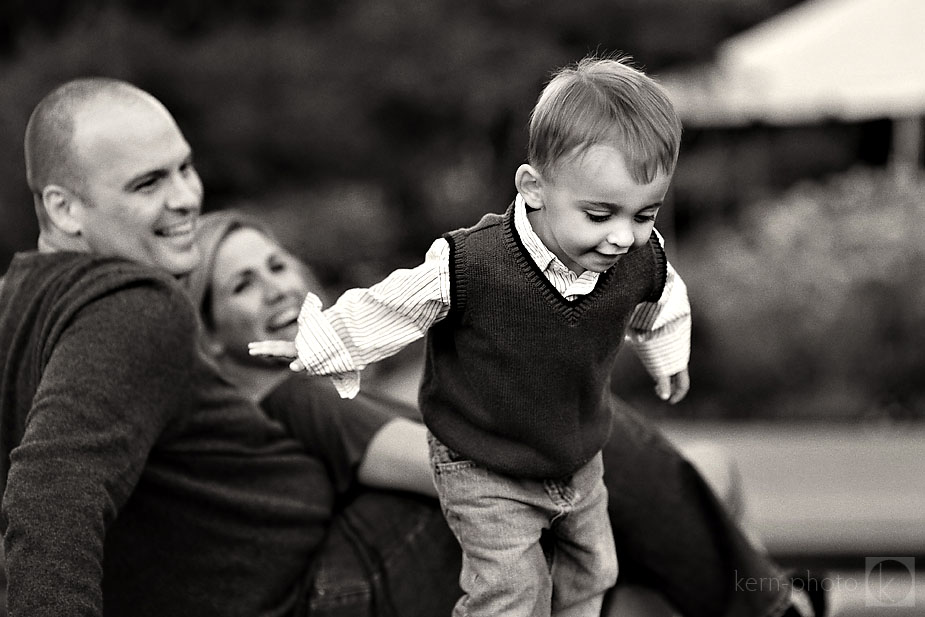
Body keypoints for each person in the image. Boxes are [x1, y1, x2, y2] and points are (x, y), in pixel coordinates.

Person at [0, 76, 821, 617]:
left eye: (183, 168)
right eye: (147, 184)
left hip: (319, 566)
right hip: (335, 577)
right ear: (64, 207)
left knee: (619, 512)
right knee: (562, 446)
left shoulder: (19, 302)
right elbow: (51, 489)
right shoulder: (136, 304)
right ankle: (771, 606)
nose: (184, 196)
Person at [249, 55, 799, 617]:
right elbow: (392, 306)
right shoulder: (472, 264)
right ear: (533, 188)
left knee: (595, 570)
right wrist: (318, 344)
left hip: (576, 455)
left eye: (644, 215)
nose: (622, 237)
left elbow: (661, 303)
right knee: (511, 590)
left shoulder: (640, 258)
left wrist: (667, 359)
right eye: (600, 214)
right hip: (482, 462)